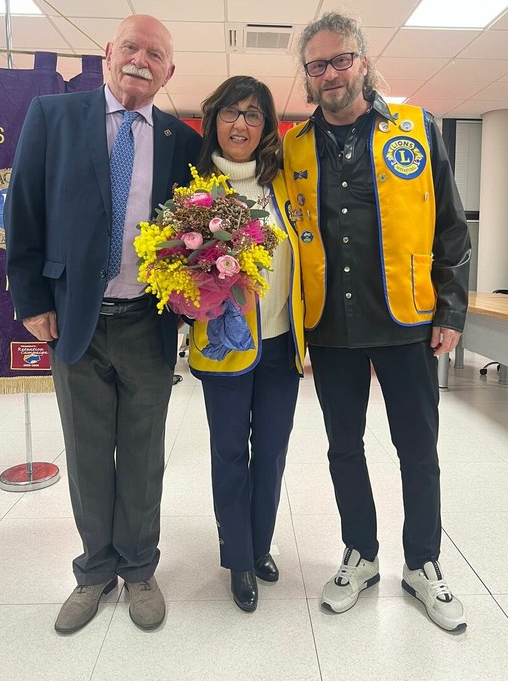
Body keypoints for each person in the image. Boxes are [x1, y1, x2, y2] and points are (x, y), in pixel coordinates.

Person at [4, 14, 202, 634]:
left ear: (169, 72)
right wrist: (32, 300)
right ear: (108, 53)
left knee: (143, 456)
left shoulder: (180, 140)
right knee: (88, 453)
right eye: (132, 47)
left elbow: (191, 233)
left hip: (147, 321)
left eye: (156, 54)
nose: (141, 59)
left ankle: (139, 569)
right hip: (73, 321)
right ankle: (93, 572)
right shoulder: (53, 116)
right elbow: (24, 210)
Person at [283, 11, 471, 632]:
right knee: (344, 449)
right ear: (308, 75)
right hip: (330, 326)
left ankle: (422, 563)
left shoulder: (416, 129)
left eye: (341, 59)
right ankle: (360, 554)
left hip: (406, 319)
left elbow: (450, 228)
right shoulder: (294, 147)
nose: (330, 73)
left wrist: (450, 308)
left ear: (363, 61)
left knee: (417, 449)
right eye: (317, 64)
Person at [188, 75, 305, 612]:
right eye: (231, 113)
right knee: (231, 452)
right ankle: (238, 557)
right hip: (226, 347)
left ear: (267, 126)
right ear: (214, 120)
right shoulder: (196, 194)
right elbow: (179, 277)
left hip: (282, 344)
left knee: (273, 451)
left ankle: (260, 545)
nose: (241, 124)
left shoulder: (283, 188)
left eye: (253, 114)